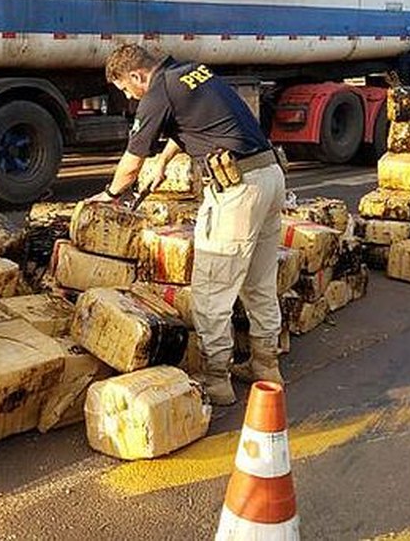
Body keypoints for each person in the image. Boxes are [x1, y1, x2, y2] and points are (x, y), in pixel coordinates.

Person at [92, 43, 286, 406]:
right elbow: (198, 125)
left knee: (212, 290)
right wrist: (165, 160)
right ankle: (266, 366)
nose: (129, 97)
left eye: (125, 89)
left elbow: (131, 163)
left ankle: (216, 381)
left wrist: (109, 194)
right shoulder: (191, 72)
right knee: (259, 282)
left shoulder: (156, 91)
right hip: (270, 176)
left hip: (237, 191)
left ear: (136, 75)